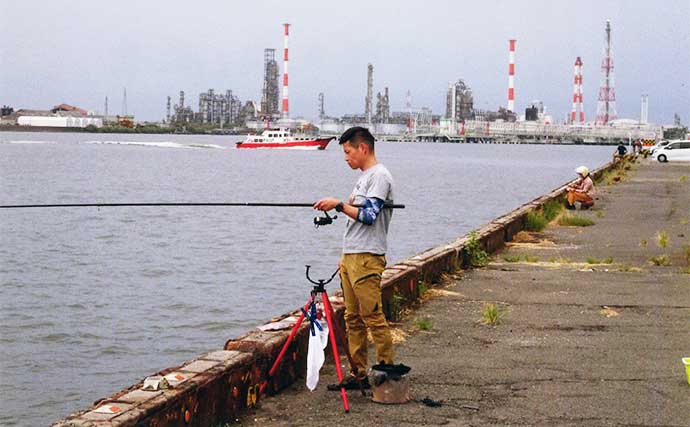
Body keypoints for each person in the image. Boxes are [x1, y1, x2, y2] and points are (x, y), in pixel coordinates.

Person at [314, 126, 395, 390]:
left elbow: (369, 216)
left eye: (348, 152)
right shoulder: (363, 178)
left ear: (363, 148)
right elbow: (354, 216)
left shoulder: (379, 177)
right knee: (352, 318)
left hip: (367, 257)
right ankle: (358, 372)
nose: (346, 157)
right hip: (351, 256)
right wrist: (344, 256)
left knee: (372, 316)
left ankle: (387, 371)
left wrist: (337, 204)